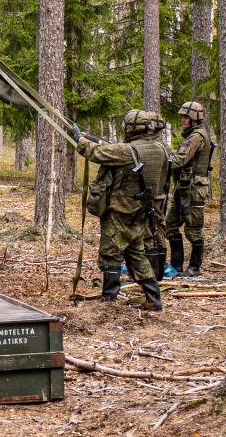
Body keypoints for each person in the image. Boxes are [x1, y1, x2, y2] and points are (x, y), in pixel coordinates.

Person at [70, 110, 171, 311]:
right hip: (142, 212)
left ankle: (109, 300)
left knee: (110, 253)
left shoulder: (127, 151)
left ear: (130, 129)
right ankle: (154, 299)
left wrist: (78, 138)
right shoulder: (162, 148)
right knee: (136, 254)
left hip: (120, 211)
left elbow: (95, 153)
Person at [167, 101, 214, 277]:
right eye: (183, 117)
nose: (183, 120)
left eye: (186, 117)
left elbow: (179, 160)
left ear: (195, 118)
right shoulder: (192, 135)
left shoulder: (197, 136)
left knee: (193, 229)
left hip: (194, 190)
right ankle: (176, 266)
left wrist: (165, 156)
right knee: (170, 225)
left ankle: (194, 267)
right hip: (183, 188)